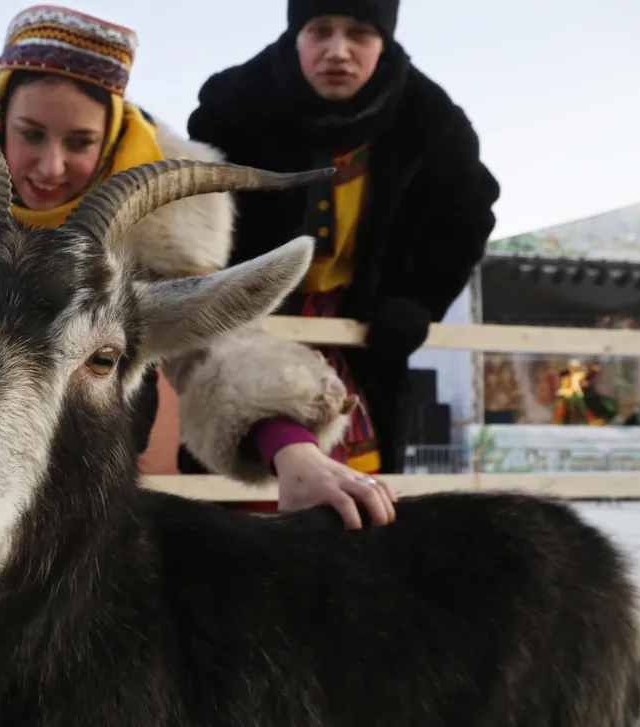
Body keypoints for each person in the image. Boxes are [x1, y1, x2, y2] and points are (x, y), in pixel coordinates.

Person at [0, 3, 390, 531]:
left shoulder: (152, 220)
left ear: (108, 139)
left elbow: (212, 342)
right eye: (31, 134)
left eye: (80, 141)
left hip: (75, 451)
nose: (51, 166)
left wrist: (293, 453)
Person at [184, 0, 501, 513]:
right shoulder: (232, 106)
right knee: (233, 494)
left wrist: (417, 300)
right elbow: (193, 221)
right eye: (320, 30)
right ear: (296, 36)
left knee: (357, 501)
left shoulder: (433, 121)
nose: (338, 51)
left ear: (385, 41)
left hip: (359, 338)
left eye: (359, 33)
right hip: (246, 327)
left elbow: (466, 217)